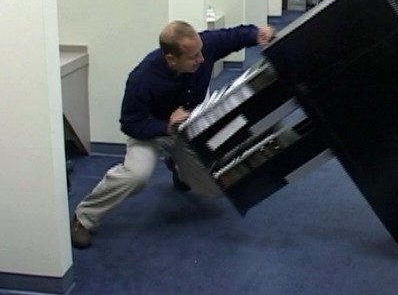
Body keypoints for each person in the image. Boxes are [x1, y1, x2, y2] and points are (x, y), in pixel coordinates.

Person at [70, 20, 275, 248]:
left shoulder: (202, 47)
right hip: (151, 132)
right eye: (194, 57)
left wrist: (258, 34)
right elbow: (130, 123)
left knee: (217, 187)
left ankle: (178, 168)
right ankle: (83, 218)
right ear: (172, 59)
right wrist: (165, 127)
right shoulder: (142, 79)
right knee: (136, 175)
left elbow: (233, 36)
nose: (202, 59)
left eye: (201, 52)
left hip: (186, 128)